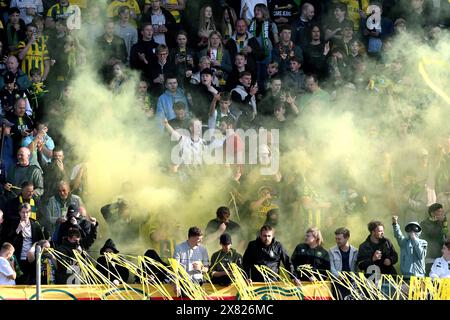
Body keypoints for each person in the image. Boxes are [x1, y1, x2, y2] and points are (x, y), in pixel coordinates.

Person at [6, 202, 44, 284]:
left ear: (30, 213)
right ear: (19, 213)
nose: (25, 215)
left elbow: (41, 240)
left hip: (32, 258)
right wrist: (18, 230)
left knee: (32, 281)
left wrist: (34, 248)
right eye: (23, 212)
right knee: (20, 281)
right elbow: (8, 241)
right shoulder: (14, 224)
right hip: (18, 258)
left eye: (27, 212)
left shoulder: (35, 225)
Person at [173, 226, 209, 294]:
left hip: (198, 283)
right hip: (184, 282)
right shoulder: (179, 248)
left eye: (201, 239)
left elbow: (207, 268)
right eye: (198, 239)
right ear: (191, 238)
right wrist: (176, 284)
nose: (201, 241)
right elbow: (175, 269)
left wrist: (201, 268)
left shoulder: (203, 249)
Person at [420, 203, 448, 274]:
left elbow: (444, 238)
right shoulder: (424, 224)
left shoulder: (442, 223)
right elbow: (432, 234)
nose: (441, 214)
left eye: (442, 212)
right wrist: (439, 223)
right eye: (439, 212)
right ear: (432, 213)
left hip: (442, 257)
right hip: (430, 258)